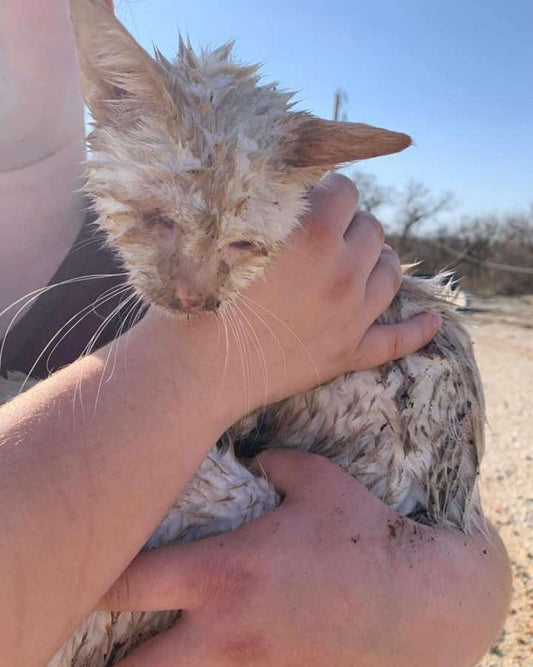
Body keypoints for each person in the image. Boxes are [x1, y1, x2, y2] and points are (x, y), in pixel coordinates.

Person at [0, 1, 511, 665]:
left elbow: (448, 523)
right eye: (158, 222)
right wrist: (197, 370)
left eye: (241, 243)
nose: (190, 291)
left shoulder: (311, 275)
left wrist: (448, 593)